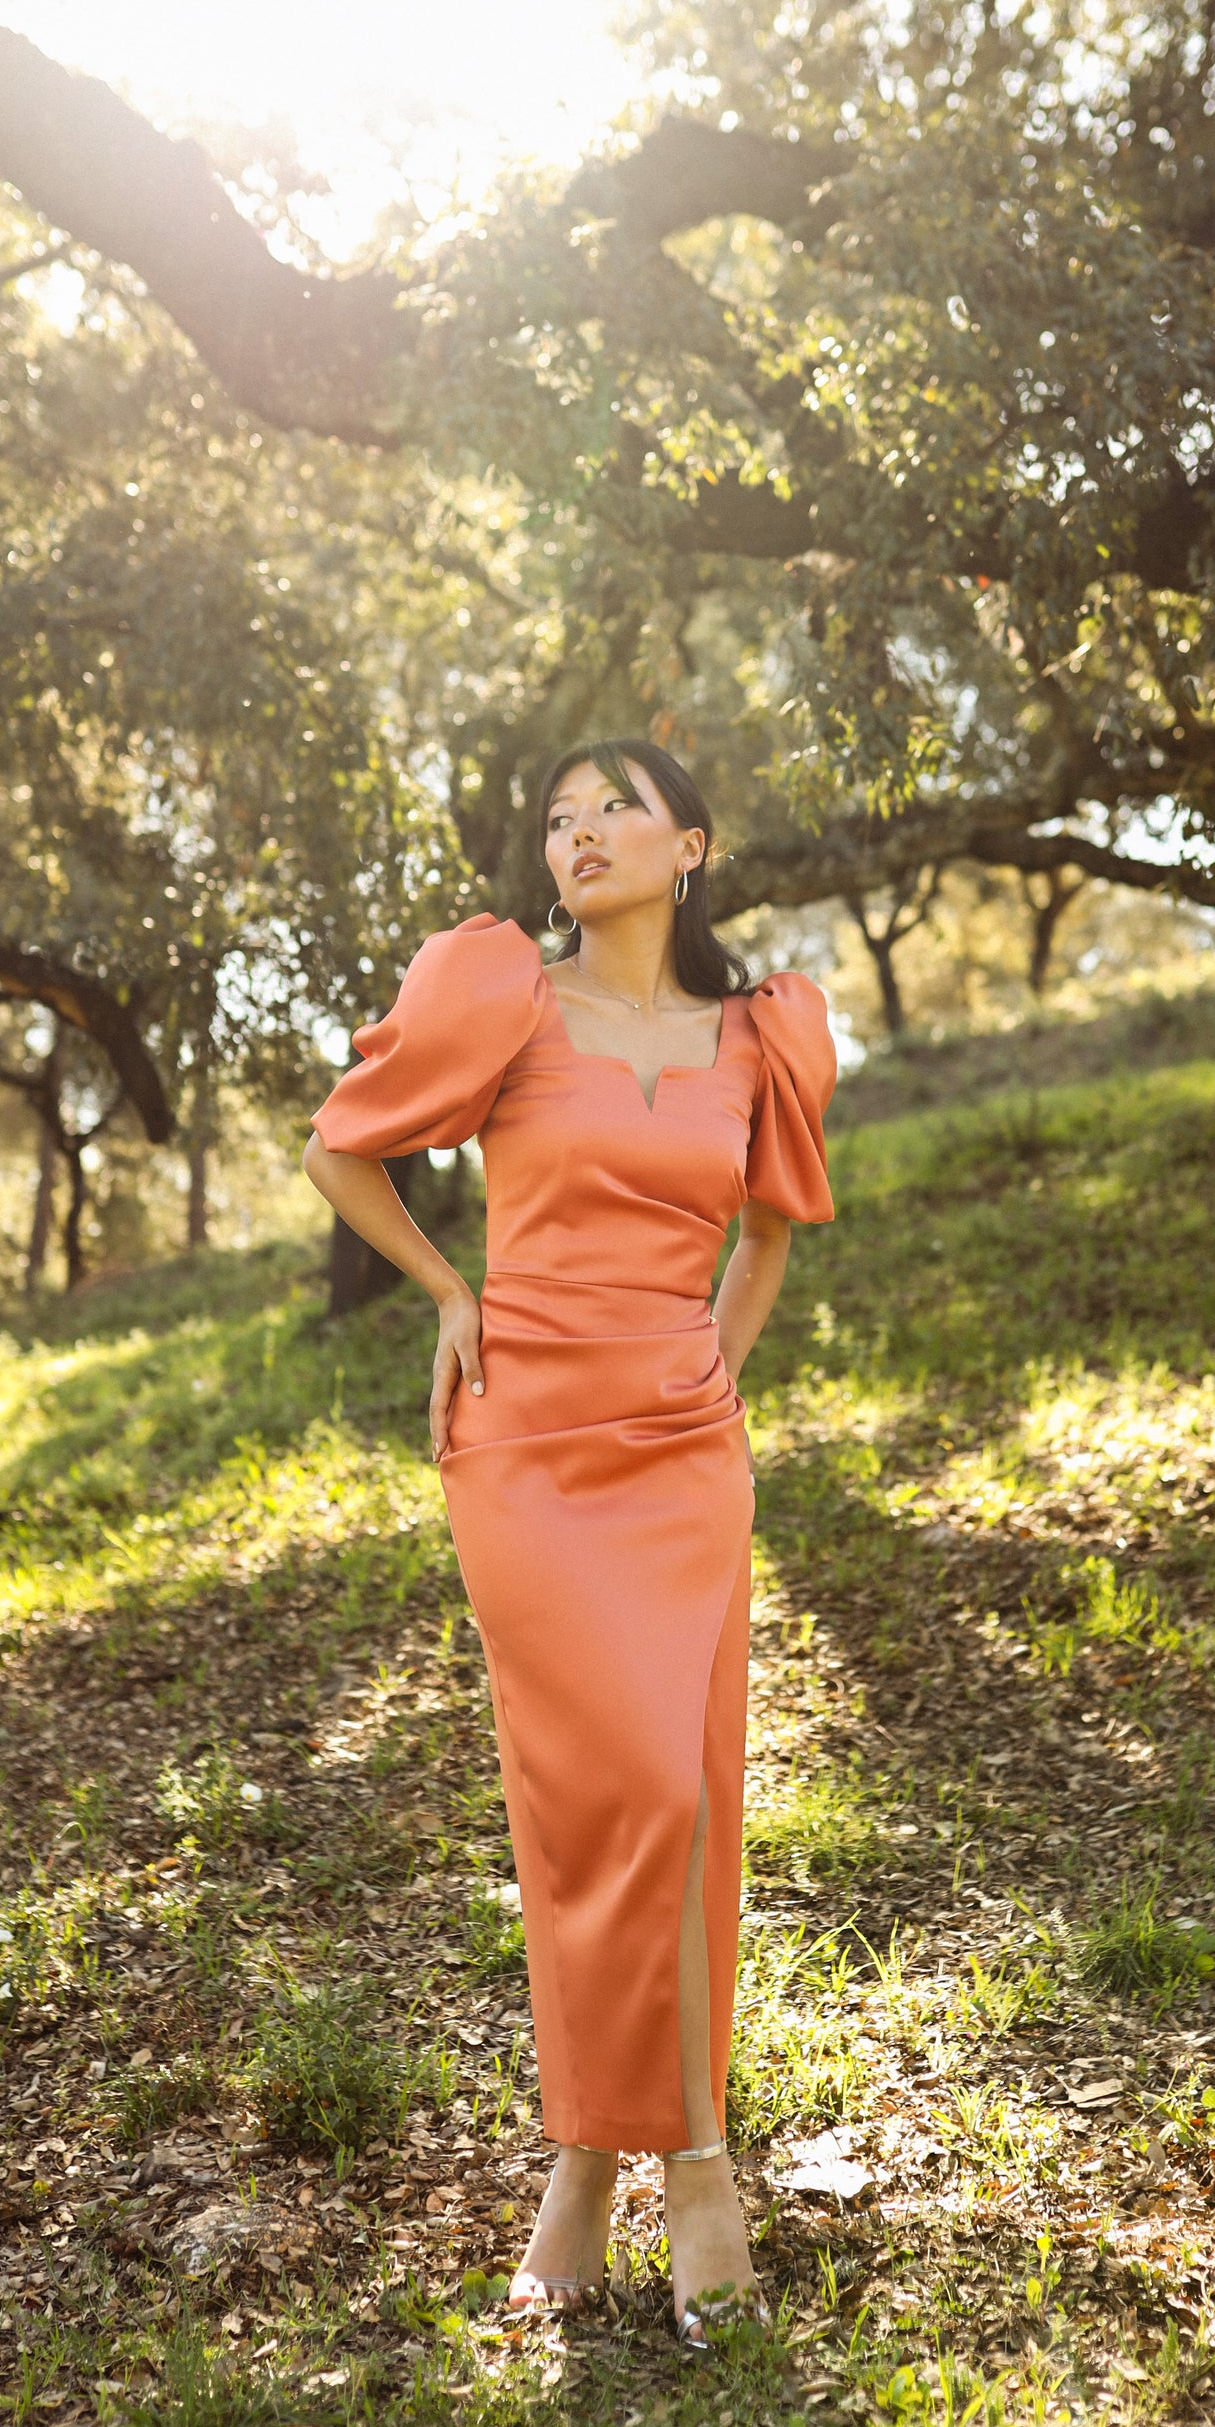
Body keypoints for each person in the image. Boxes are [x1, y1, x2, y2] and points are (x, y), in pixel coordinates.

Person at [303, 738, 835, 2345]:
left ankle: (655, 2171)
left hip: (683, 1454)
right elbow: (345, 1147)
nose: (579, 832)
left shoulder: (763, 1033)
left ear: (694, 846)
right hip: (526, 1442)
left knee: (682, 1796)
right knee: (597, 1799)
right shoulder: (500, 997)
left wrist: (715, 1369)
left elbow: (772, 1231)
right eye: (556, 815)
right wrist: (456, 1292)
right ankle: (617, 2165)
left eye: (616, 807)